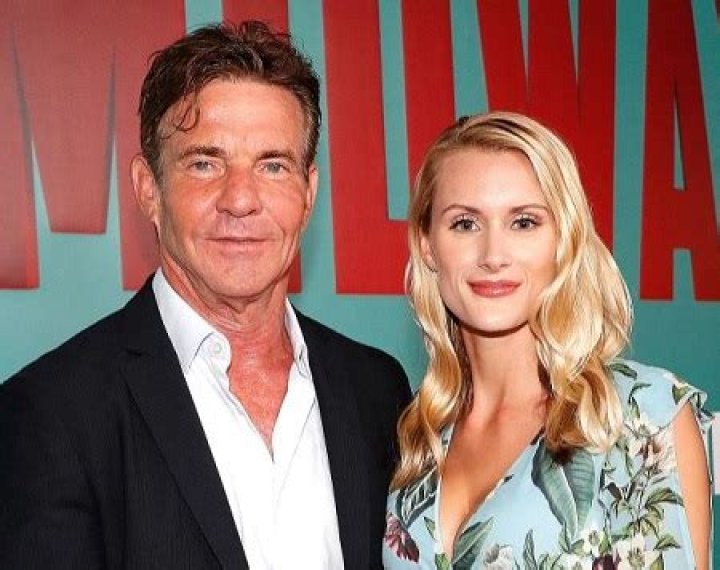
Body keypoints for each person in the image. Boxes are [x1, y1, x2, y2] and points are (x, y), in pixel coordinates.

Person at [0, 21, 410, 569]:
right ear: (149, 189)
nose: (240, 199)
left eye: (272, 165)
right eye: (204, 163)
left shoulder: (377, 391)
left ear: (308, 193)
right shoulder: (51, 413)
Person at [382, 112, 711, 569]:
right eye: (465, 224)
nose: (493, 255)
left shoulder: (639, 416)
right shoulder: (419, 435)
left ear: (563, 239)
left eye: (523, 222)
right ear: (427, 245)